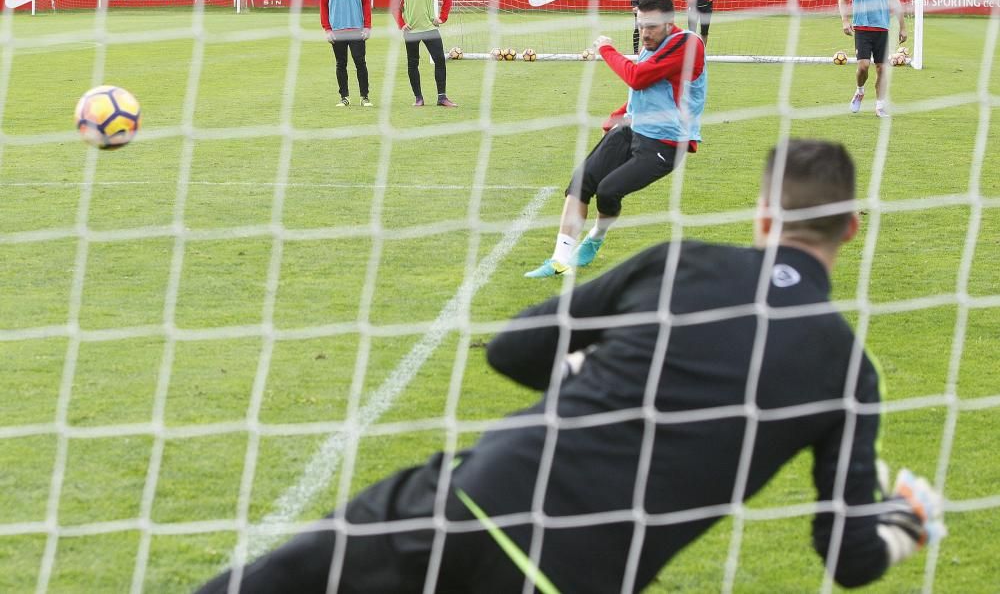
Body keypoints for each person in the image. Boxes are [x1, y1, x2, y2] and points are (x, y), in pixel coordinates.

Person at [196, 139, 944, 594]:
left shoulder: (684, 263)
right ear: (850, 226)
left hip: (482, 496)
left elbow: (515, 346)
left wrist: (586, 362)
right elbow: (846, 559)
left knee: (281, 580)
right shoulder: (851, 371)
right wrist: (903, 529)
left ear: (761, 218)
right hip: (581, 577)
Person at [524, 0, 705, 279]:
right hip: (631, 127)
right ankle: (559, 260)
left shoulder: (688, 44)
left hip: (666, 142)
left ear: (670, 23)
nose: (644, 33)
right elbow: (646, 89)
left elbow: (637, 76)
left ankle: (595, 238)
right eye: (640, 24)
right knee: (580, 182)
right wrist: (620, 113)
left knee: (608, 191)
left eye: (652, 26)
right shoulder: (651, 43)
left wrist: (606, 49)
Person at [838, 0, 907, 118]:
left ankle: (880, 106)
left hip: (882, 28)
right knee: (863, 66)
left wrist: (902, 27)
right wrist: (845, 21)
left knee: (882, 69)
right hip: (862, 27)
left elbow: (895, 1)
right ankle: (860, 91)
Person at [391, 0, 457, 107]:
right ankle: (418, 98)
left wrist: (442, 17)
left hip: (430, 28)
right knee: (413, 64)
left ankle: (442, 97)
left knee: (440, 60)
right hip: (411, 30)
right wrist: (401, 24)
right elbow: (394, 6)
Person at [320, 0, 373, 108]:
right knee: (340, 64)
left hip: (357, 30)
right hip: (337, 31)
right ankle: (344, 97)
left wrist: (367, 26)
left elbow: (366, 3)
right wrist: (327, 29)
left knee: (360, 63)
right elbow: (323, 6)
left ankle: (365, 97)